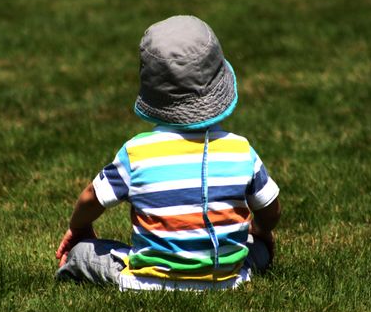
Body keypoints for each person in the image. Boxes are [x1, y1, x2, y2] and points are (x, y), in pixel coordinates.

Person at [55, 15, 281, 291]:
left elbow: (92, 197)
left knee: (84, 252)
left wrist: (78, 228)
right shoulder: (241, 151)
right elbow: (270, 208)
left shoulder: (136, 153)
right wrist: (262, 230)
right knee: (257, 248)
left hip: (145, 281)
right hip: (227, 279)